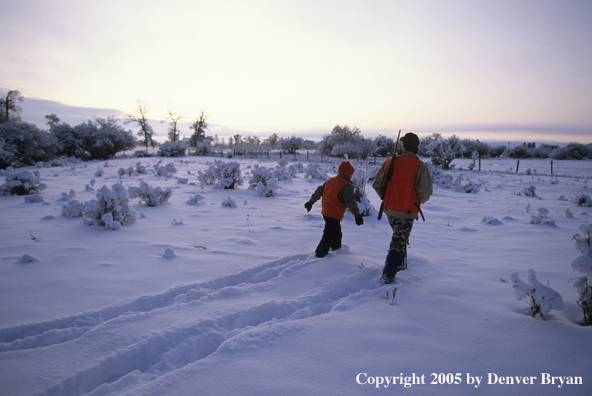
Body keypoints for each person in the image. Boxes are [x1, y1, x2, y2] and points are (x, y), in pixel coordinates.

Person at [372, 133, 433, 284]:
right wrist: (417, 201)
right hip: (407, 211)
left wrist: (386, 197)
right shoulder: (419, 166)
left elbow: (376, 184)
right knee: (398, 240)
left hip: (389, 209)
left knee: (399, 236)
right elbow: (425, 191)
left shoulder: (389, 162)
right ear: (416, 147)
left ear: (404, 146)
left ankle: (401, 263)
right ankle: (388, 274)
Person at [304, 161, 364, 258]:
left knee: (336, 231)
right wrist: (357, 215)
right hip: (334, 213)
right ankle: (320, 254)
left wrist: (311, 202)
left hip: (326, 211)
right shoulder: (347, 185)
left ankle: (337, 248)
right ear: (348, 174)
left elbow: (319, 191)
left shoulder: (330, 181)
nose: (352, 176)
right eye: (351, 174)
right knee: (328, 234)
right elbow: (350, 201)